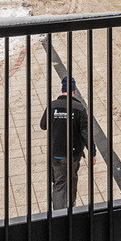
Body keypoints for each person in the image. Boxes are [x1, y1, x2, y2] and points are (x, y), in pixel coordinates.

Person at [39, 76, 93, 209]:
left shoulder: (52, 106)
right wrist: (93, 151)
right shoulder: (79, 108)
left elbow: (43, 125)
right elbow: (85, 133)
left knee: (59, 183)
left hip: (57, 154)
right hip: (73, 154)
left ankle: (58, 215)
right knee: (72, 179)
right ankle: (71, 207)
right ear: (74, 91)